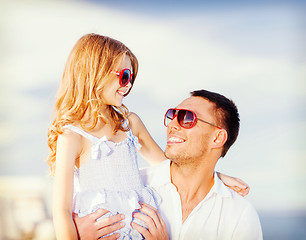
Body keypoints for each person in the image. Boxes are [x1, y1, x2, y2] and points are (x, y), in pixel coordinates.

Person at [47, 33, 250, 240]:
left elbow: (169, 167)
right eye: (124, 76)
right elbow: (61, 211)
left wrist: (217, 178)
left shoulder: (130, 123)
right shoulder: (72, 135)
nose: (127, 85)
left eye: (131, 78)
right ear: (95, 74)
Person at [74, 89, 263, 240]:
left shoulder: (239, 214)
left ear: (218, 137)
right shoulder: (130, 189)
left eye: (187, 118)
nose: (172, 124)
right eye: (173, 115)